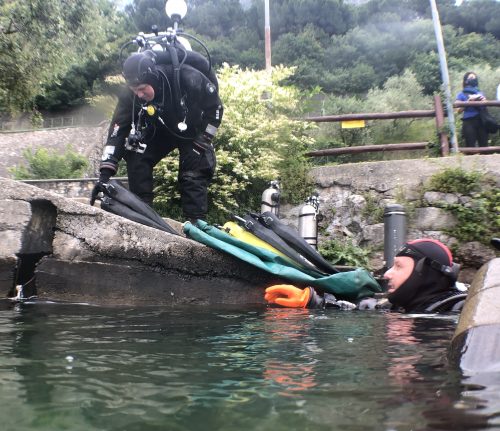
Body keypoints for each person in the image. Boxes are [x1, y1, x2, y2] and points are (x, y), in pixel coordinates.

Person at [92, 49, 223, 221]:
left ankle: (196, 222)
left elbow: (216, 110)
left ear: (153, 79)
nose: (139, 94)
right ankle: (142, 214)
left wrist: (203, 141)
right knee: (136, 155)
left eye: (142, 88)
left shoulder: (187, 77)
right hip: (161, 130)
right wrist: (104, 176)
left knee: (194, 170)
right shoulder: (130, 95)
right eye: (134, 89)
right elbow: (118, 130)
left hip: (192, 130)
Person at [265, 239, 467, 314]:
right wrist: (310, 300)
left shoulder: (458, 310)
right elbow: (363, 307)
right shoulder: (402, 307)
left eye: (398, 266)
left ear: (423, 272)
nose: (387, 274)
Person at [455, 71, 488, 148]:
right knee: (470, 145)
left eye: (474, 77)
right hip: (468, 122)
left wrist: (484, 101)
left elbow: (485, 106)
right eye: (471, 78)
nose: (473, 79)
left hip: (481, 121)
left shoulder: (480, 93)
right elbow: (457, 110)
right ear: (466, 80)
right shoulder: (461, 94)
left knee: (484, 145)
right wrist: (468, 102)